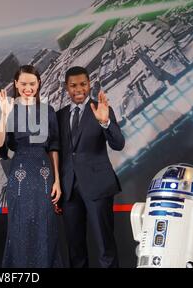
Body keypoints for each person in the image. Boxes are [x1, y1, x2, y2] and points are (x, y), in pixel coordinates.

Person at [0, 65, 62, 268]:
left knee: (46, 228)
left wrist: (57, 180)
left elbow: (54, 147)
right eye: (23, 83)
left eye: (32, 83)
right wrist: (4, 115)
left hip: (44, 174)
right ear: (16, 84)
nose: (28, 87)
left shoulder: (48, 111)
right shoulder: (8, 109)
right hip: (20, 175)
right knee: (19, 228)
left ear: (38, 84)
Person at [56, 66, 125, 268]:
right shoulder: (59, 116)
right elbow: (57, 154)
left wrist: (105, 122)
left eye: (83, 84)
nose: (79, 89)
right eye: (73, 85)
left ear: (89, 84)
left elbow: (118, 144)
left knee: (105, 245)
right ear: (66, 88)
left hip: (97, 187)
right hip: (69, 191)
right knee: (75, 249)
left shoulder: (102, 110)